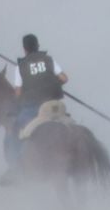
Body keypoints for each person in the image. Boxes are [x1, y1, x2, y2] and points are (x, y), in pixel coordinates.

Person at [4, 32, 65, 172]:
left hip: (34, 109)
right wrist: (53, 82)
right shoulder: (49, 60)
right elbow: (64, 78)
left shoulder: (20, 67)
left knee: (13, 130)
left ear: (24, 49)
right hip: (56, 106)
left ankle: (14, 169)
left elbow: (18, 94)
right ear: (38, 46)